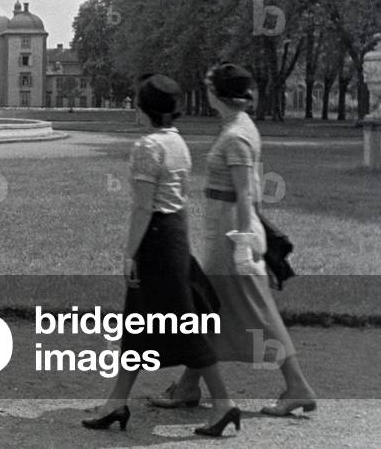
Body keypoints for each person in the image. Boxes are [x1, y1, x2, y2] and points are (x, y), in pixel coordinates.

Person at [150, 63, 316, 417]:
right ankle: (189, 385)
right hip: (227, 228)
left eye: (210, 85)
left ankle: (297, 385)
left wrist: (242, 242)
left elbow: (245, 193)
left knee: (240, 310)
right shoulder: (238, 127)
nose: (206, 89)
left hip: (230, 232)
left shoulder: (236, 135)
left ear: (218, 94)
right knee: (214, 310)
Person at [83, 74, 240, 437]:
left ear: (145, 109)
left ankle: (223, 403)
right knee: (139, 325)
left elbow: (143, 207)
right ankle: (116, 401)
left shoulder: (147, 146)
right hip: (175, 234)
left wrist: (129, 253)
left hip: (155, 239)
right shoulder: (178, 143)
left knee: (182, 325)